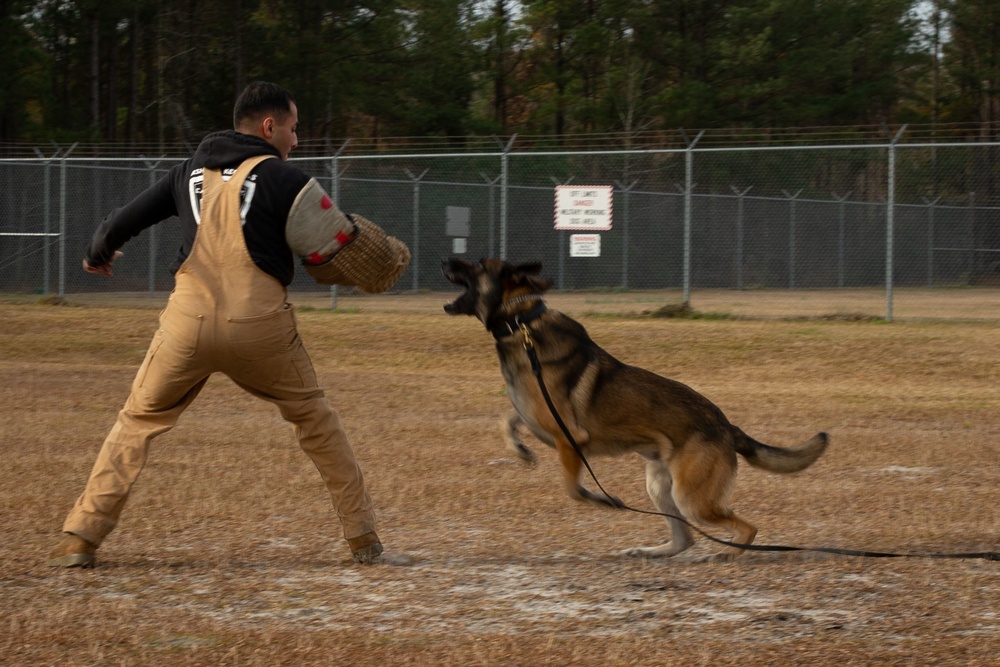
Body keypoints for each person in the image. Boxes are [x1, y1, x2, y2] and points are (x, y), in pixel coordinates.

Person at [48, 81, 384, 568]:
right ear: (269, 127)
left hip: (188, 321)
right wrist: (377, 258)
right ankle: (363, 537)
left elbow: (122, 221)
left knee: (137, 422)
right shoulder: (289, 181)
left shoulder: (188, 172)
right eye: (292, 128)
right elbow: (341, 249)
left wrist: (98, 251)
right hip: (261, 325)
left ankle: (81, 535)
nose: (296, 140)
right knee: (316, 420)